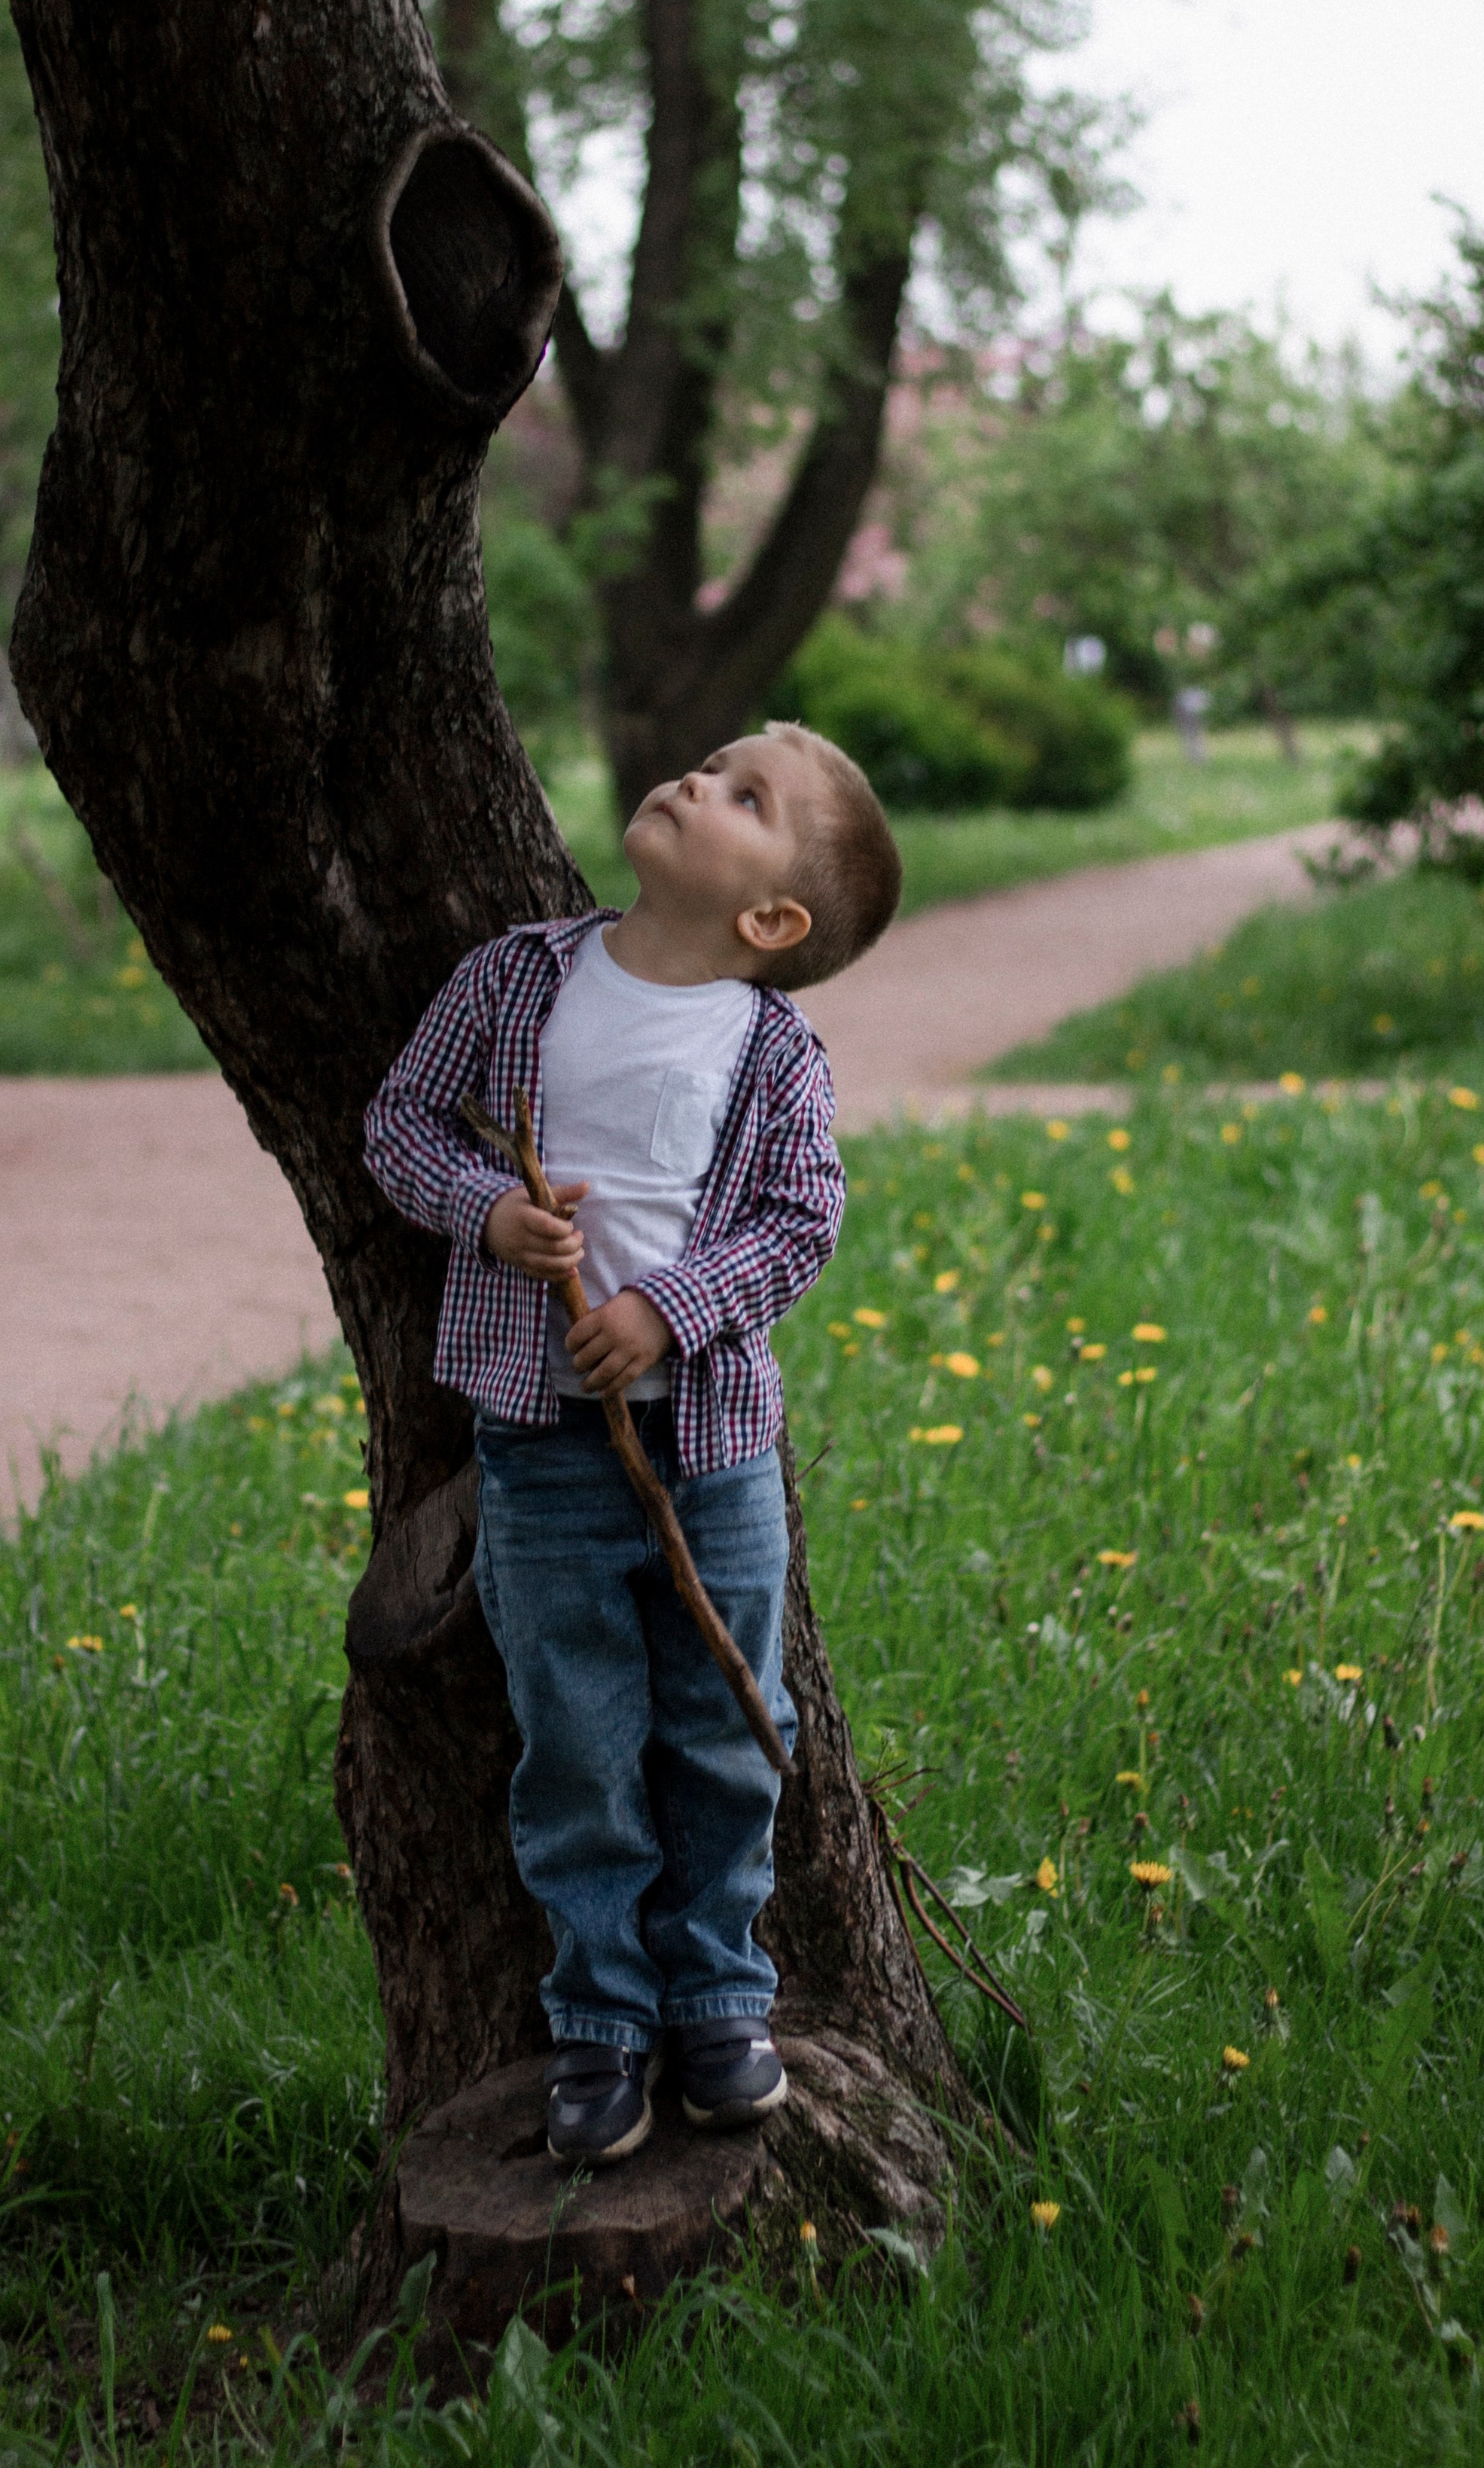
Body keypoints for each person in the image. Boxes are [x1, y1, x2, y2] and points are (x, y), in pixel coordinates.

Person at [363, 724, 902, 2165]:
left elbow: (800, 1221)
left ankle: (721, 1995)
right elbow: (401, 1123)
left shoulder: (773, 1048)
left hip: (709, 1453)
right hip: (541, 1451)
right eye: (710, 763)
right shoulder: (518, 981)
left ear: (771, 921)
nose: (694, 781)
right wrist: (486, 1209)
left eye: (745, 796)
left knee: (729, 1730)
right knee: (578, 1744)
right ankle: (599, 2018)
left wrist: (668, 1310)